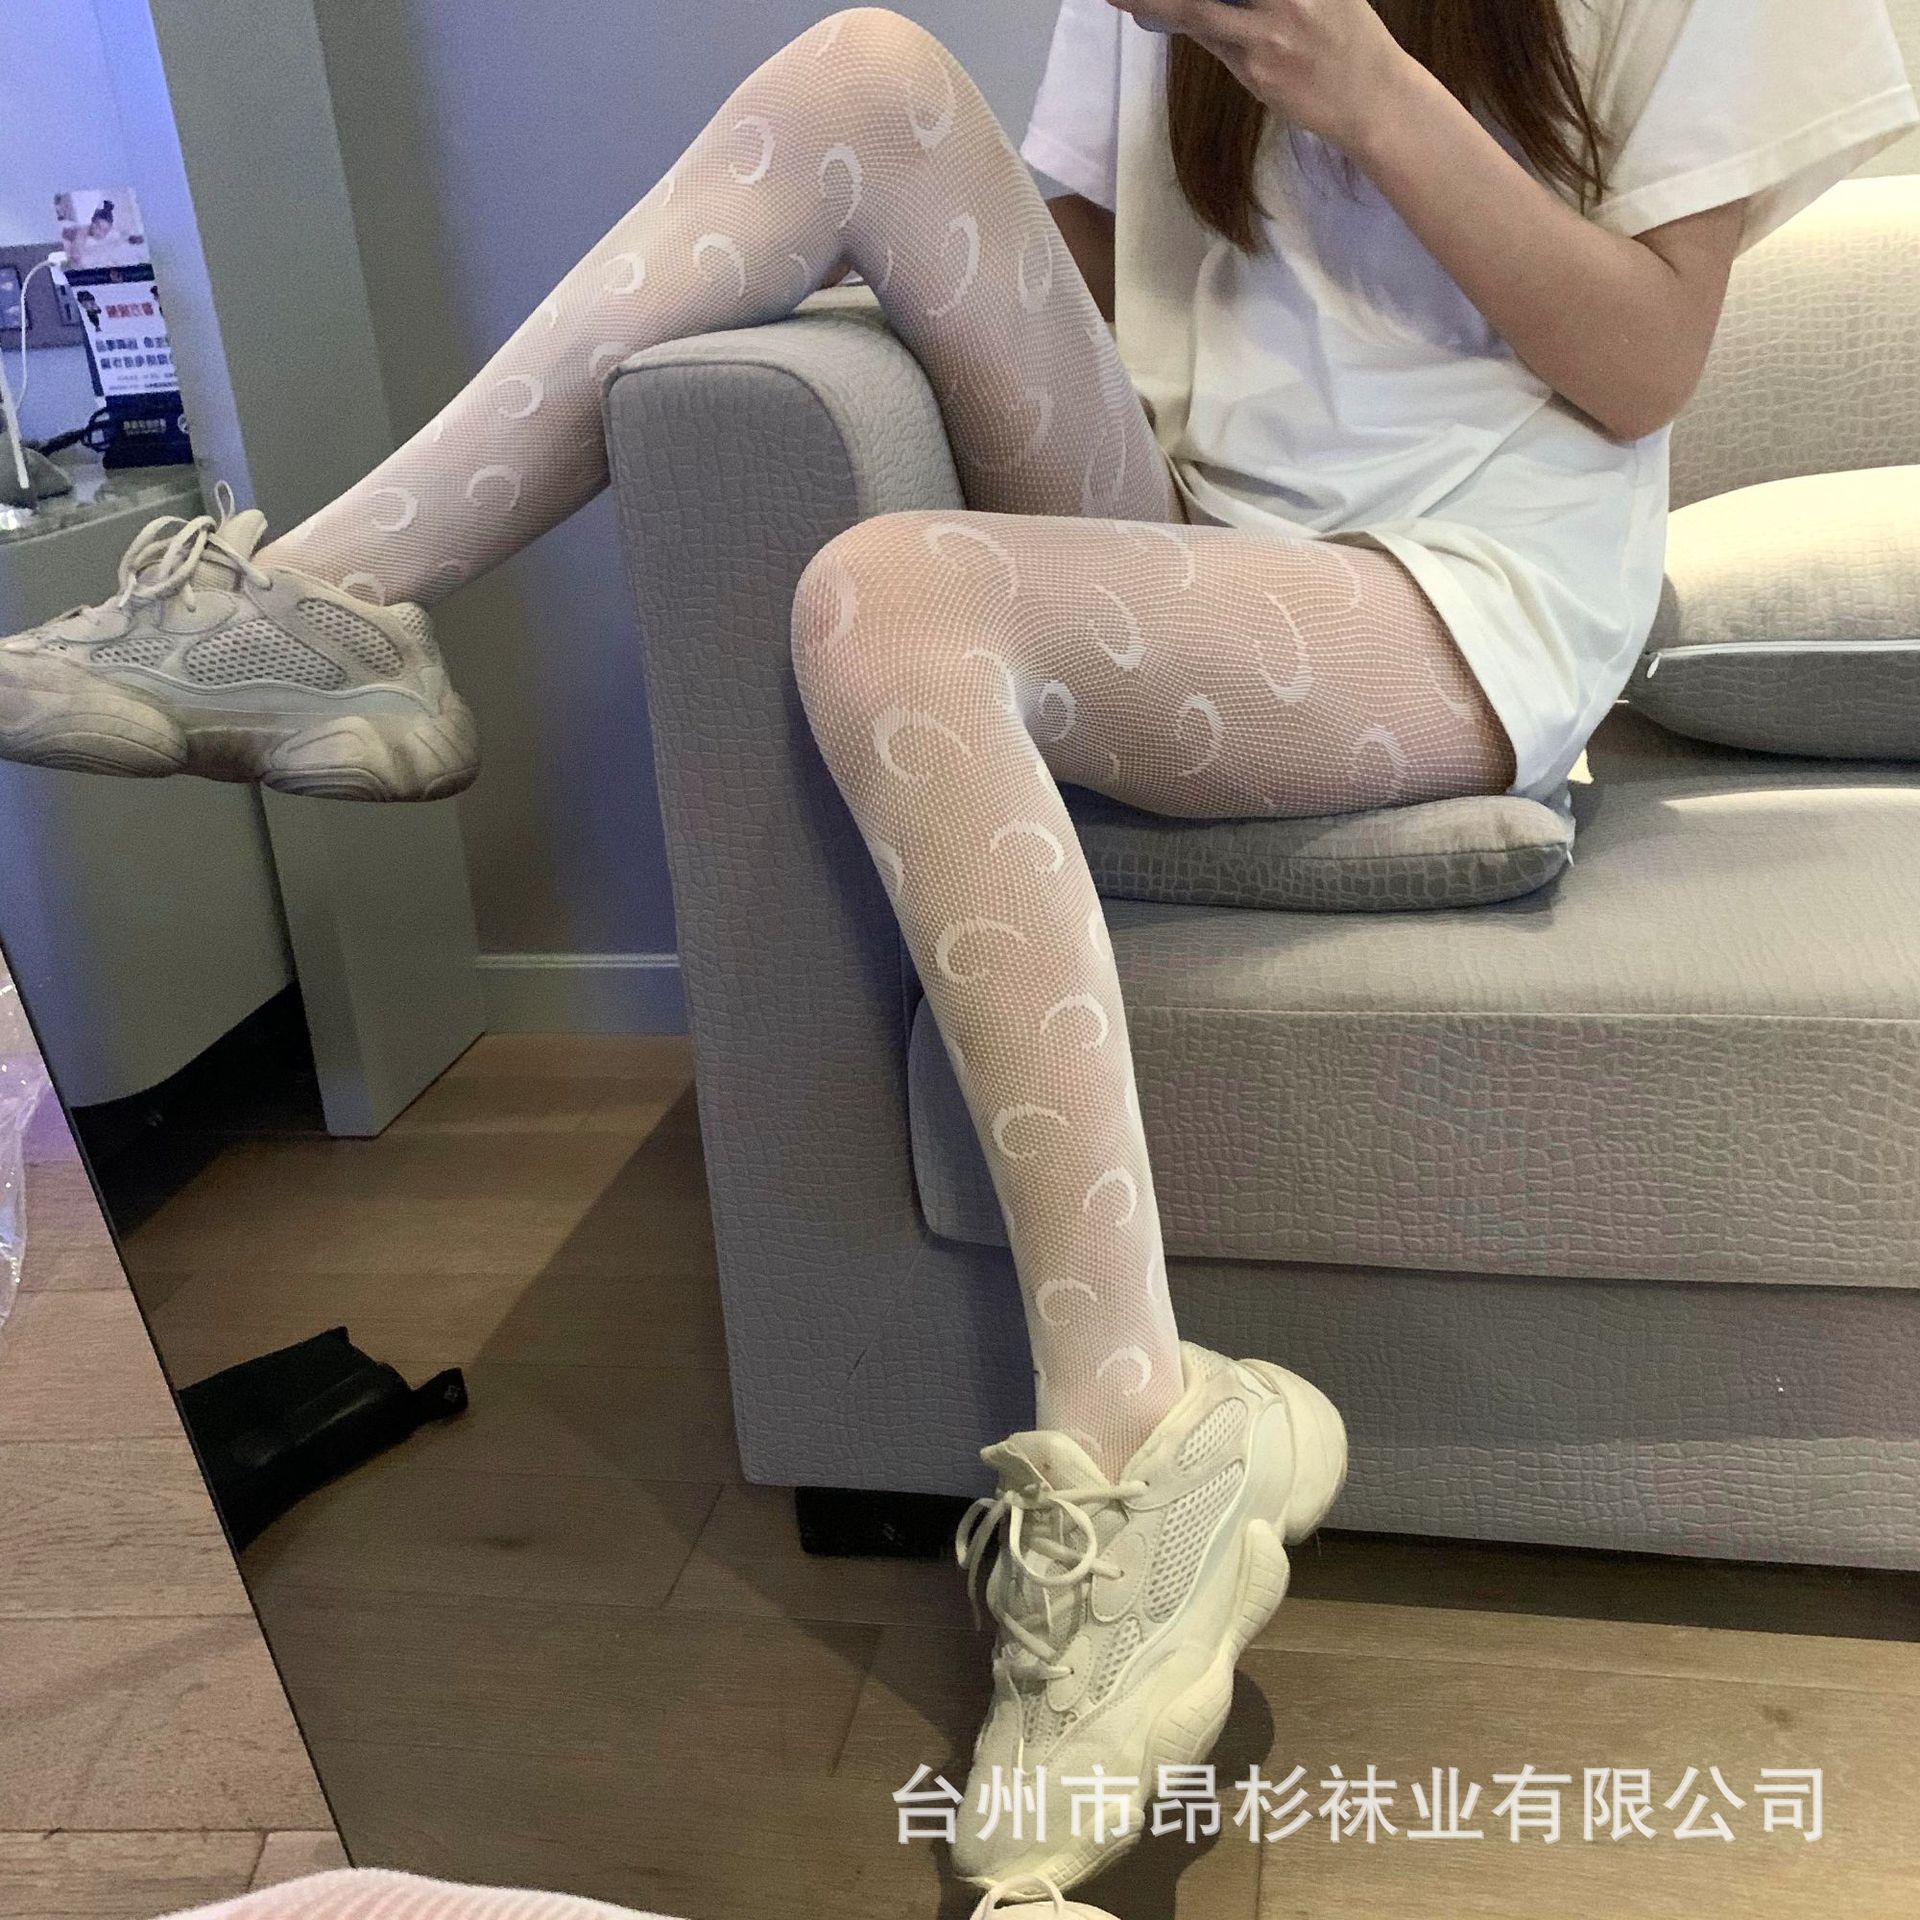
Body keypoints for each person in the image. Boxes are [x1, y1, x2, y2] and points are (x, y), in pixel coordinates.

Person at [2, 0, 1912, 1893]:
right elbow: (1071, 274)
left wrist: (1357, 82)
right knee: (870, 74)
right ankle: (321, 602)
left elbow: (1644, 363)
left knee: (886, 600)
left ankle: (1141, 1428)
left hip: (1458, 588)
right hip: (1190, 516)